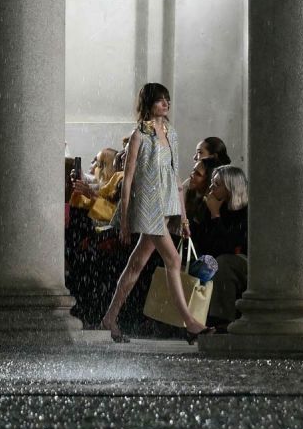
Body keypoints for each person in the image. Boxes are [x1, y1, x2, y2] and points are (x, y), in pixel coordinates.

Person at [100, 83, 211, 343]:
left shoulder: (171, 133)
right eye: (160, 100)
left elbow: (174, 175)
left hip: (166, 206)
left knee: (137, 263)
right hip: (148, 206)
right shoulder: (139, 134)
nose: (165, 103)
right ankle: (190, 323)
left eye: (167, 99)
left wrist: (182, 216)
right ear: (149, 103)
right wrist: (125, 219)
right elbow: (127, 180)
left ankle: (109, 318)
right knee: (173, 260)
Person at [199, 164, 249, 330]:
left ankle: (220, 320)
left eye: (217, 184)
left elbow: (229, 245)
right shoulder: (213, 206)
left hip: (244, 260)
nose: (211, 188)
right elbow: (205, 242)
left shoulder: (245, 212)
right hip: (218, 256)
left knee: (223, 263)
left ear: (231, 188)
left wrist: (216, 216)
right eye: (212, 183)